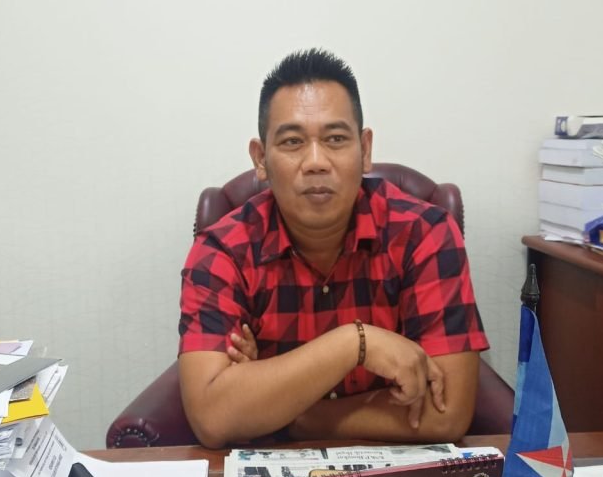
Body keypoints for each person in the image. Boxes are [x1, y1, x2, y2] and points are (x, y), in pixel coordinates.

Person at [177, 48, 489, 448]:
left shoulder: (424, 234)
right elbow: (212, 417)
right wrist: (356, 343)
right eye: (292, 141)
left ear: (365, 150)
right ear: (260, 159)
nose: (316, 162)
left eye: (336, 139)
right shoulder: (222, 250)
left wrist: (282, 410)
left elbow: (446, 415)